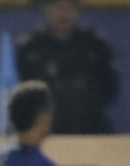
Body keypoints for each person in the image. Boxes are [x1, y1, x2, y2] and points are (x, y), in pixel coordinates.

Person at [16, 0, 119, 136]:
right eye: (58, 7)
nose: (64, 14)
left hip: (91, 129)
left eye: (70, 7)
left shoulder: (95, 45)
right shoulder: (30, 48)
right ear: (45, 10)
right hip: (45, 133)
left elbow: (110, 88)